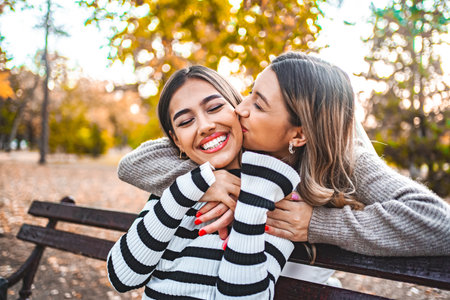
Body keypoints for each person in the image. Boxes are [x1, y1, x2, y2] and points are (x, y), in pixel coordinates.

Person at [117, 52, 450, 260]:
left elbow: (439, 224)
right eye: (248, 93)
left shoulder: (346, 158)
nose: (239, 109)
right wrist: (206, 181)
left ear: (300, 134)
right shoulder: (238, 141)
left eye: (258, 104)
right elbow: (135, 163)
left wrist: (317, 224)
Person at [107, 65, 301, 299]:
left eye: (215, 107)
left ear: (238, 110)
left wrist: (250, 206)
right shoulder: (175, 190)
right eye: (186, 121)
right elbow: (122, 277)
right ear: (177, 141)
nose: (205, 126)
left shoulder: (273, 193)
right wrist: (187, 191)